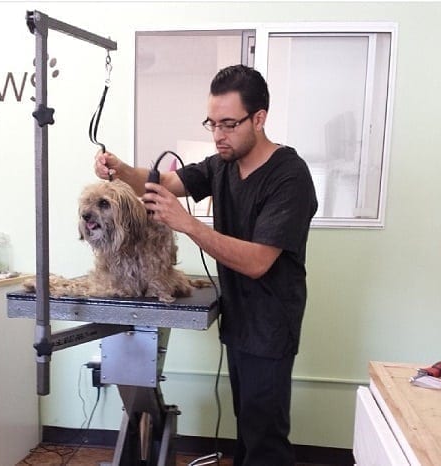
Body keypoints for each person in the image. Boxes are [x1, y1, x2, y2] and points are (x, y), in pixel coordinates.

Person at [94, 64, 318, 466]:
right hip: (239, 321)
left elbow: (257, 262)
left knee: (266, 437)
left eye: (229, 124)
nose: (218, 135)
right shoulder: (221, 165)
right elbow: (163, 182)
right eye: (212, 123)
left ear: (260, 118)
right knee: (247, 429)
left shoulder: (289, 176)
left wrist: (187, 223)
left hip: (270, 325)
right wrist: (121, 169)